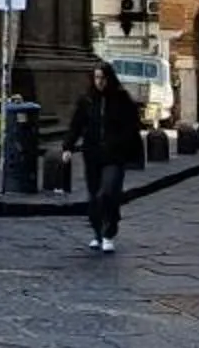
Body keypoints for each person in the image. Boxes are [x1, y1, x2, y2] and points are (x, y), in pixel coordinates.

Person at [62, 59, 145, 253]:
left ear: (109, 78)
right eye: (96, 78)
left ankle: (109, 233)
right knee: (94, 196)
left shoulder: (122, 99)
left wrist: (124, 147)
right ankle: (98, 233)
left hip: (114, 156)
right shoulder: (87, 100)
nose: (99, 82)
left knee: (107, 192)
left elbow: (132, 126)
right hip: (92, 155)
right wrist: (68, 147)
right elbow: (76, 126)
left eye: (103, 78)